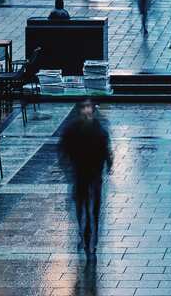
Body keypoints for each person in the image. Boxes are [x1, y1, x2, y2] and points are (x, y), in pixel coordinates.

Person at [58, 101, 113, 254]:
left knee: (94, 204)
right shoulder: (73, 129)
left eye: (90, 107)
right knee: (81, 202)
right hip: (80, 171)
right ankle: (85, 230)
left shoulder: (97, 128)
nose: (87, 110)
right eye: (84, 107)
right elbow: (64, 149)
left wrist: (108, 163)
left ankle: (91, 229)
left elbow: (105, 146)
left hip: (94, 172)